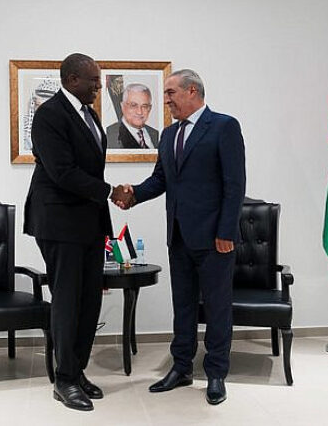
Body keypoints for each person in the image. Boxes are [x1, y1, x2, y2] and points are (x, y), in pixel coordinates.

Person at [114, 69, 245, 405]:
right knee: (183, 306)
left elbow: (234, 185)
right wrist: (133, 195)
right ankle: (182, 367)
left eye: (171, 93)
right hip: (180, 236)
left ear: (192, 91)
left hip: (216, 239)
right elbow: (161, 180)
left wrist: (226, 231)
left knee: (217, 308)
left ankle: (216, 373)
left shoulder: (224, 126)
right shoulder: (169, 135)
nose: (167, 100)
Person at [23, 53, 132, 411]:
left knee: (90, 301)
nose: (99, 88)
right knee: (68, 301)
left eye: (99, 82)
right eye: (93, 82)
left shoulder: (90, 114)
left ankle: (77, 370)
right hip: (58, 221)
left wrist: (104, 211)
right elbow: (63, 172)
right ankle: (64, 380)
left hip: (88, 221)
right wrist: (109, 192)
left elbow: (89, 169)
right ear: (71, 79)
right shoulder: (50, 115)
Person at [106, 83, 159, 149]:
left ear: (150, 108)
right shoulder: (109, 135)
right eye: (133, 105)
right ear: (122, 106)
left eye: (144, 106)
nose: (139, 112)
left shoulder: (157, 134)